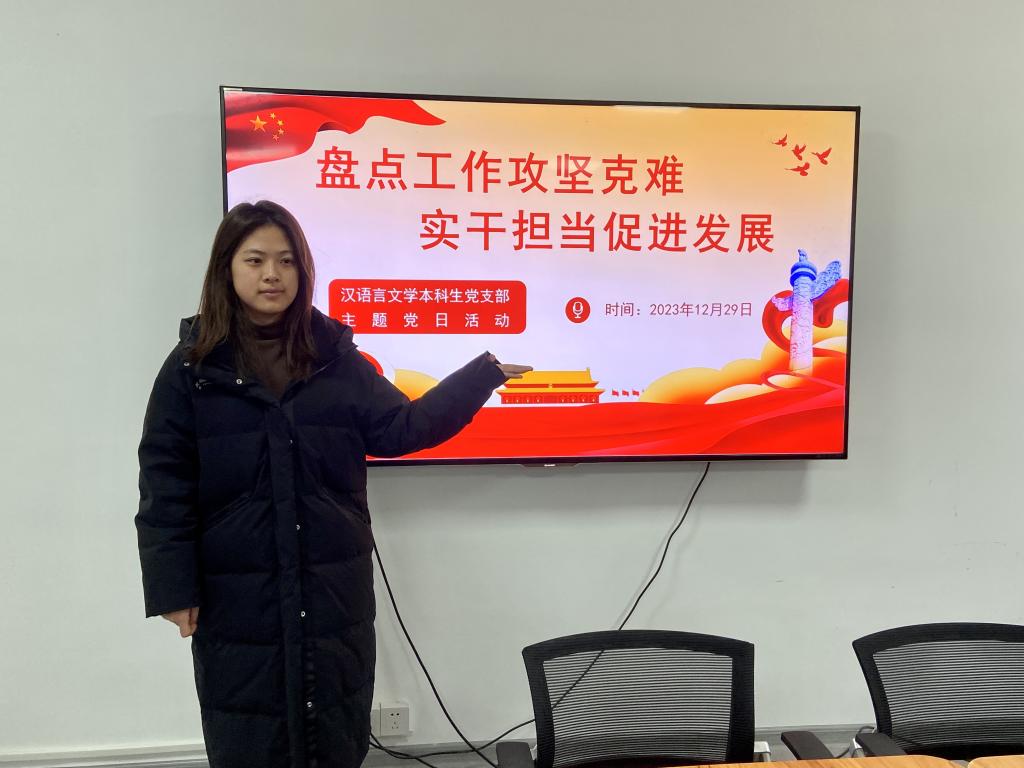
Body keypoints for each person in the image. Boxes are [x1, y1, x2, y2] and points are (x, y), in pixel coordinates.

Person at [135, 200, 530, 768]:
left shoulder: (333, 359)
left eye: (287, 261)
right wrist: (174, 587)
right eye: (255, 260)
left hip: (332, 584)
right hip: (237, 589)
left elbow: (402, 428)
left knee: (334, 726)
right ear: (227, 269)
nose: (272, 275)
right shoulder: (191, 369)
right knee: (249, 728)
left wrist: (478, 378)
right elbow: (164, 484)